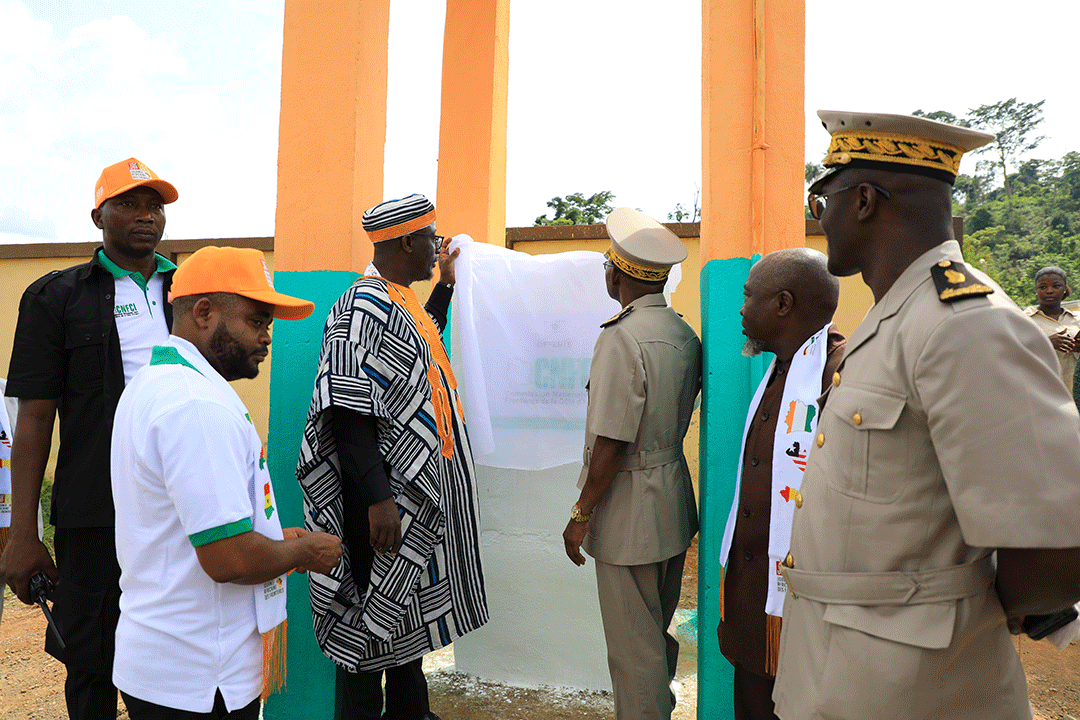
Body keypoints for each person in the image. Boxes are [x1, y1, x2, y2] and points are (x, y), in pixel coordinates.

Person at [773, 110, 1080, 720]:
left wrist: (969, 611)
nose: (820, 218)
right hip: (847, 671)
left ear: (863, 201)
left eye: (822, 200)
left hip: (917, 685)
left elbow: (1057, 549)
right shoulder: (898, 315)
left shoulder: (964, 322)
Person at [110, 246, 343, 719]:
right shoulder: (196, 405)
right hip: (197, 676)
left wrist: (275, 540)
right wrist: (304, 551)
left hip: (168, 664)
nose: (266, 336)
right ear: (203, 313)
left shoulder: (157, 382)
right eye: (256, 321)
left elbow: (187, 527)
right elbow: (229, 557)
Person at [1, 158, 179, 720]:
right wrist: (23, 534)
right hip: (95, 512)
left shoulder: (191, 291)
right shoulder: (55, 296)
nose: (145, 216)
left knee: (173, 659)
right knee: (90, 662)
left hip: (179, 509)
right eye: (128, 204)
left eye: (155, 206)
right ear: (98, 216)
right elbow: (34, 420)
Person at [297, 193, 487, 720]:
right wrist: (378, 501)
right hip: (376, 504)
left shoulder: (397, 301)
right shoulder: (361, 306)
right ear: (406, 241)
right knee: (365, 633)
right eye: (431, 238)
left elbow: (416, 347)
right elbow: (348, 411)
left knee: (405, 628)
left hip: (402, 501)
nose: (436, 247)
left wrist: (445, 284)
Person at [562, 207, 701, 720]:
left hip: (628, 511)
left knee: (632, 650)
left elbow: (612, 441)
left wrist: (581, 514)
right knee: (652, 635)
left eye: (608, 264)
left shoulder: (622, 336)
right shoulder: (682, 333)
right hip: (671, 501)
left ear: (618, 275)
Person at [717, 248, 845, 720]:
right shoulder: (783, 367)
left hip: (807, 600)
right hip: (756, 593)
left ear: (783, 304)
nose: (741, 310)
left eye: (748, 296)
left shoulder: (840, 373)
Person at [1023, 266, 1079, 390]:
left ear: (1065, 289)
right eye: (1043, 287)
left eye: (1056, 286)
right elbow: (1011, 352)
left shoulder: (1076, 319)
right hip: (1041, 391)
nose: (1049, 291)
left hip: (1073, 390)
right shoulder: (1024, 319)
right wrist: (1047, 342)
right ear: (1036, 290)